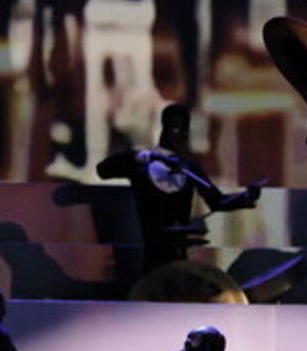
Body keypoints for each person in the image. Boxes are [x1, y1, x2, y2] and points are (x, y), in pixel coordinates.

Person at [96, 104, 263, 273]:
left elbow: (217, 201)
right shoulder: (141, 165)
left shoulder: (189, 169)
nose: (180, 136)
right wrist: (147, 156)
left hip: (180, 255)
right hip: (146, 254)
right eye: (175, 128)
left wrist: (246, 196)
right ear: (164, 127)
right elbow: (103, 170)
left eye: (184, 131)